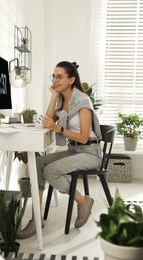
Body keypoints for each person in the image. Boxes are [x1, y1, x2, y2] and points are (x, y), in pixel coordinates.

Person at [17, 61, 102, 239]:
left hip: (89, 152)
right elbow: (47, 119)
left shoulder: (82, 101)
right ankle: (36, 220)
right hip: (74, 150)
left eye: (59, 77)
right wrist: (54, 95)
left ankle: (83, 201)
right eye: (54, 76)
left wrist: (59, 130)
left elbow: (84, 137)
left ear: (71, 79)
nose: (55, 80)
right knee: (39, 164)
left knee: (51, 170)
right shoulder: (63, 100)